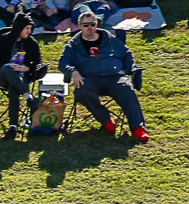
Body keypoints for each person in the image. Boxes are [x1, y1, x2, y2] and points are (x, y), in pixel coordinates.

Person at [58, 4, 146, 140]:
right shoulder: (73, 44)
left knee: (127, 89)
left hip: (114, 77)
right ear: (80, 26)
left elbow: (127, 53)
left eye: (92, 24)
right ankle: (106, 120)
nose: (89, 28)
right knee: (81, 91)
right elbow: (63, 63)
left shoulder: (109, 38)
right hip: (90, 79)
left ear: (97, 24)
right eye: (86, 25)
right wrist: (73, 72)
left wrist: (126, 70)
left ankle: (138, 128)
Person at [0, 11, 46, 138]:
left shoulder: (31, 43)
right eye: (27, 28)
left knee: (14, 90)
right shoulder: (4, 40)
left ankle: (13, 127)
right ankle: (29, 97)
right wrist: (9, 66)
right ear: (19, 28)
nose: (29, 31)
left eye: (30, 28)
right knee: (8, 68)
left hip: (20, 78)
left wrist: (26, 68)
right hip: (1, 76)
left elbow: (37, 64)